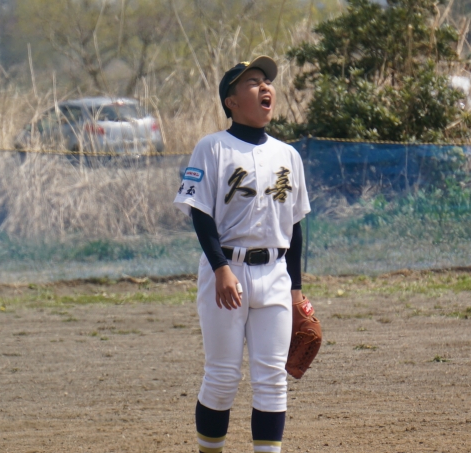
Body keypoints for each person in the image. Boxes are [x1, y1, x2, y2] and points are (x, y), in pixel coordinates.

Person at [173, 56, 311, 453]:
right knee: (222, 377)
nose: (265, 87)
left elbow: (295, 227)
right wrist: (220, 267)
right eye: (252, 82)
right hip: (227, 272)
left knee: (272, 380)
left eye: (266, 81)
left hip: (276, 274)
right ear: (231, 101)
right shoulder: (212, 147)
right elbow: (199, 213)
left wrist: (296, 291)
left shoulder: (288, 155)